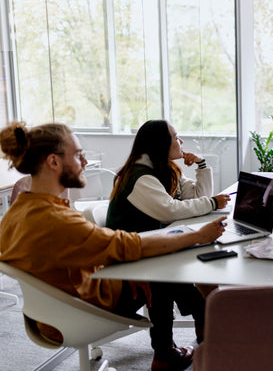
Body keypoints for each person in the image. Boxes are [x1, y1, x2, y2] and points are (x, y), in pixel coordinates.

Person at [0, 122, 227, 371]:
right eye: (77, 155)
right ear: (53, 162)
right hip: (78, 312)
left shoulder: (17, 211)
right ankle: (171, 348)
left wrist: (125, 271)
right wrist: (197, 236)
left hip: (46, 313)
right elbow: (133, 244)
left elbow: (77, 255)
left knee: (152, 265)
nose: (85, 162)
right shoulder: (58, 220)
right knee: (160, 267)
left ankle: (187, 330)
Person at [106, 120, 230, 233]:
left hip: (151, 238)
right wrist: (212, 203)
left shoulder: (166, 168)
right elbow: (170, 211)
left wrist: (201, 165)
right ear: (161, 144)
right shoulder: (140, 178)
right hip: (129, 247)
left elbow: (200, 196)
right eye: (176, 137)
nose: (181, 141)